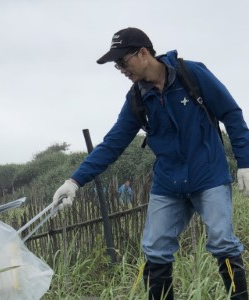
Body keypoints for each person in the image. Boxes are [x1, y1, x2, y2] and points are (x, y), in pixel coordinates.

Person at [52, 27, 249, 299]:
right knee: (155, 248)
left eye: (123, 61)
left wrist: (245, 161)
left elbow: (231, 113)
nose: (120, 68)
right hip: (168, 183)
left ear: (143, 53)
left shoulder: (191, 75)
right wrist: (74, 181)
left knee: (223, 243)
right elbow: (112, 144)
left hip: (208, 176)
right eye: (116, 65)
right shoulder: (136, 99)